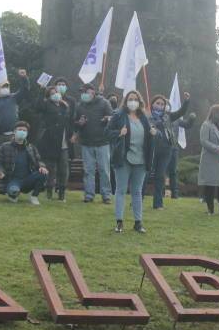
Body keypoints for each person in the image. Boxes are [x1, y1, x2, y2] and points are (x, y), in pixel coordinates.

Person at [108, 91, 154, 233]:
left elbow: (149, 137)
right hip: (123, 158)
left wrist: (153, 133)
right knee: (120, 190)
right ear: (126, 101)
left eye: (135, 99)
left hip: (141, 160)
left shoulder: (144, 118)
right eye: (130, 99)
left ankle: (138, 223)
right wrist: (118, 133)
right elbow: (107, 132)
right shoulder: (119, 116)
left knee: (137, 191)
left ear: (140, 102)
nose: (132, 102)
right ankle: (119, 222)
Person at [147, 92, 190, 209]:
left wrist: (186, 101)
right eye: (158, 103)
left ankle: (158, 204)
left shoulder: (168, 116)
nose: (160, 106)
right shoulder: (146, 116)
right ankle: (138, 198)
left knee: (160, 176)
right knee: (145, 176)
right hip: (151, 150)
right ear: (152, 104)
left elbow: (181, 112)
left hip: (166, 150)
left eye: (162, 104)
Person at [73, 83, 114, 203]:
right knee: (88, 170)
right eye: (82, 92)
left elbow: (113, 118)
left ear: (92, 92)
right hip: (86, 143)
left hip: (103, 142)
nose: (83, 94)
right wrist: (79, 123)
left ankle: (106, 195)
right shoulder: (80, 106)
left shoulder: (104, 103)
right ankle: (89, 195)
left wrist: (107, 119)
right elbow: (75, 123)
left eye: (85, 92)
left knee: (104, 170)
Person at [0, 69, 30, 175]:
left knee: (12, 158)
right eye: (3, 86)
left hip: (12, 135)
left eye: (7, 86)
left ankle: (11, 179)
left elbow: (25, 90)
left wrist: (24, 78)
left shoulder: (13, 98)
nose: (5, 88)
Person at [0, 121, 48, 204]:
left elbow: (38, 160)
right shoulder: (4, 146)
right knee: (13, 194)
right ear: (14, 132)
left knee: (43, 173)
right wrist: (0, 171)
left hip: (28, 179)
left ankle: (34, 196)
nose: (22, 132)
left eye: (24, 130)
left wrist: (42, 166)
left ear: (27, 133)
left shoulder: (31, 147)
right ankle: (12, 194)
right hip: (12, 180)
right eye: (19, 130)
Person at [36, 85, 72, 201]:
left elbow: (69, 122)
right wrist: (41, 90)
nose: (55, 94)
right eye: (52, 93)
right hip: (50, 142)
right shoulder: (46, 105)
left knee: (63, 169)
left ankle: (61, 192)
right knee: (51, 169)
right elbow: (38, 106)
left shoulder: (65, 106)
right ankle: (49, 192)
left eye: (56, 92)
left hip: (64, 143)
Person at [167, 111, 197, 199]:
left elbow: (187, 125)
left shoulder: (176, 119)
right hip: (162, 148)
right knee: (160, 171)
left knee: (174, 171)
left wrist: (192, 118)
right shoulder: (160, 118)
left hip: (174, 147)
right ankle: (159, 193)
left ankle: (175, 194)